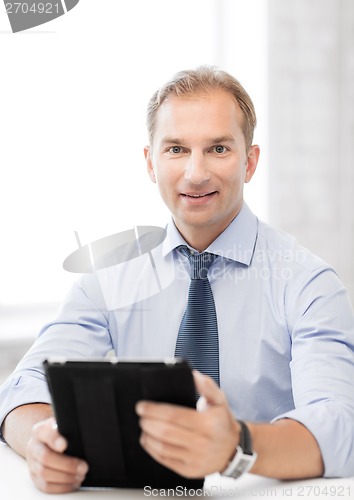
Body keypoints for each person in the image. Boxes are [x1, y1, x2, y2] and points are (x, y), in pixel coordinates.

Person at [1, 65, 354, 494]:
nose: (195, 173)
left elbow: (341, 426)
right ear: (151, 163)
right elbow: (21, 388)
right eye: (176, 150)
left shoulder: (307, 283)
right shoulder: (109, 274)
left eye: (218, 148)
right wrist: (41, 439)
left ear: (251, 161)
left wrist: (234, 445)